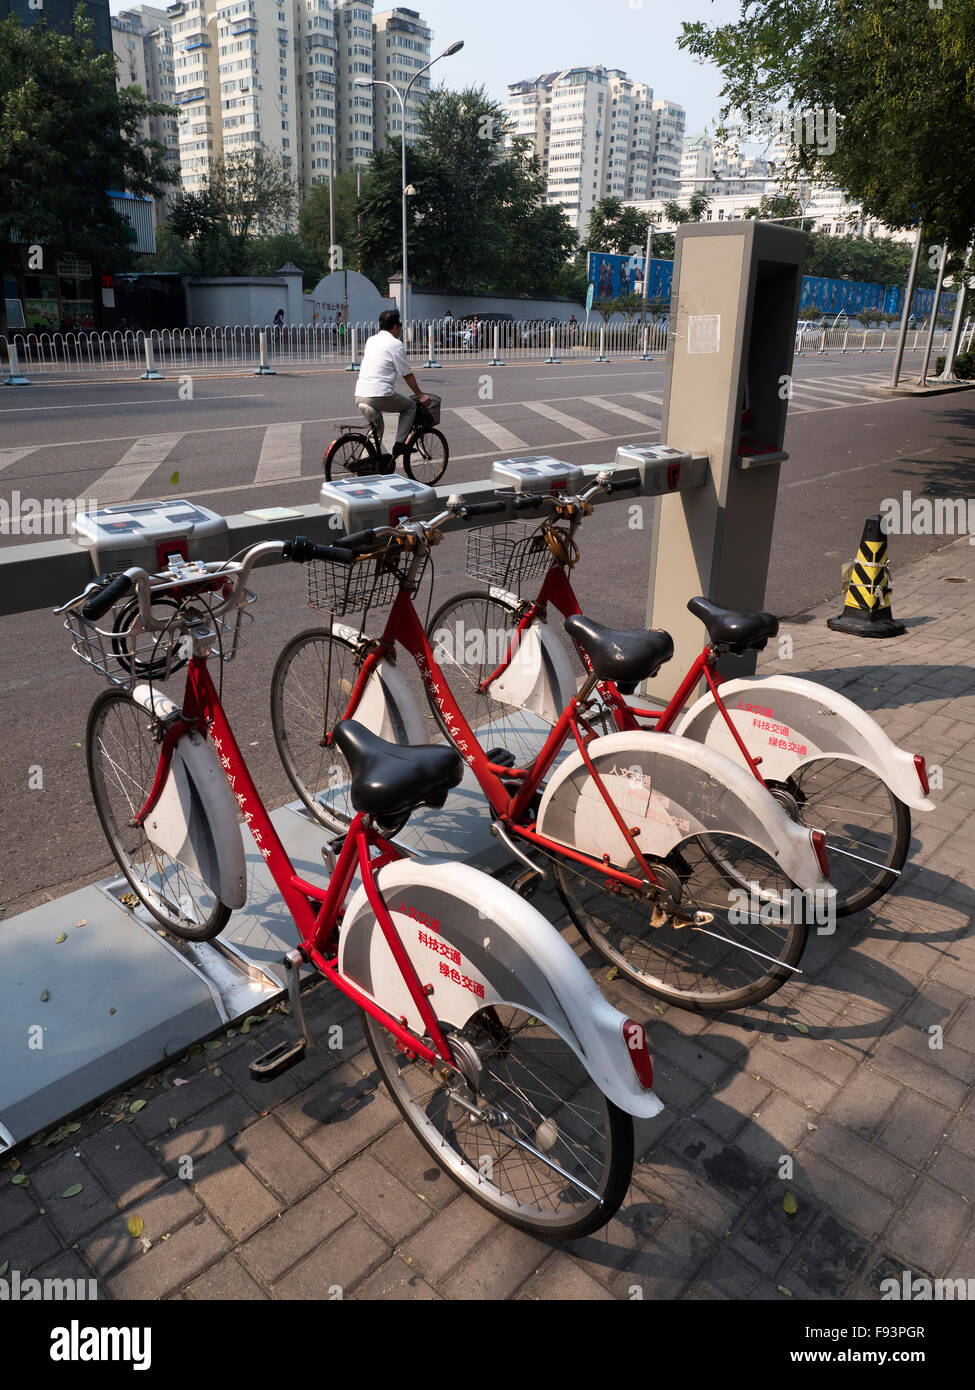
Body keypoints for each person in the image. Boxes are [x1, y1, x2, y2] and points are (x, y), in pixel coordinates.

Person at [354, 309, 434, 462]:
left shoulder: (371, 340)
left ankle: (366, 462)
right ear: (396, 327)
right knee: (411, 407)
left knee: (377, 428)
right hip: (379, 395)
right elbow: (406, 374)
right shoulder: (396, 344)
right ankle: (399, 444)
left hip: (360, 394)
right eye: (400, 327)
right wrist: (420, 395)